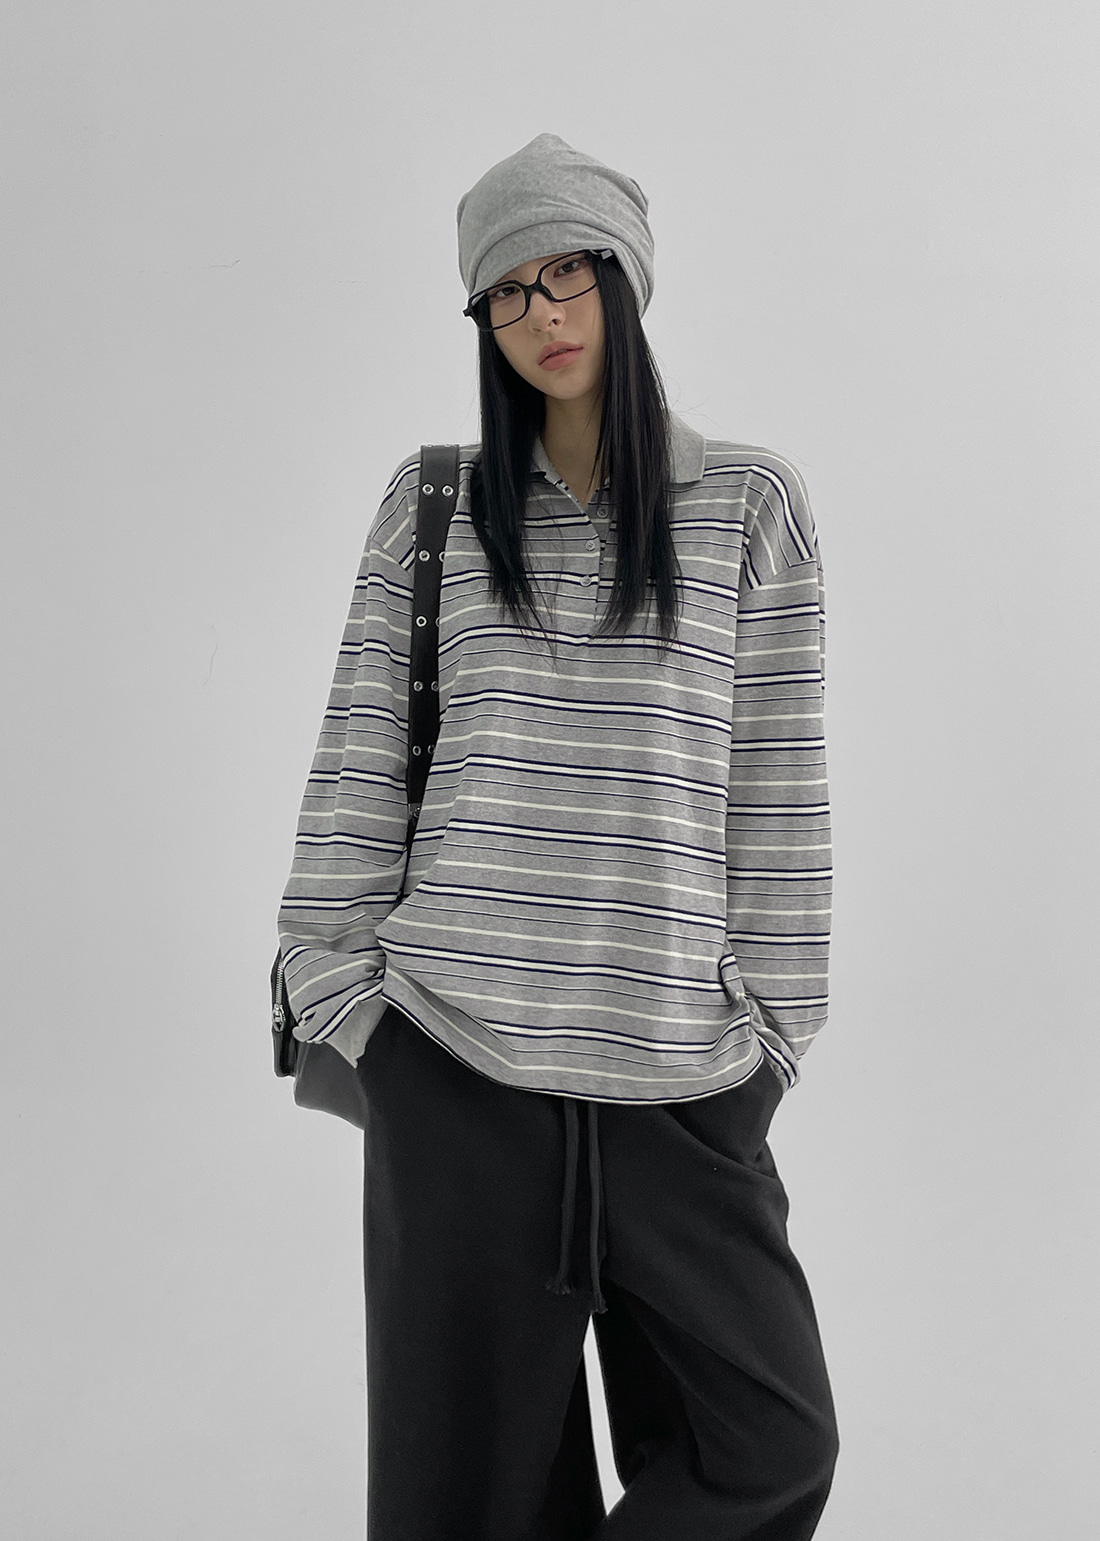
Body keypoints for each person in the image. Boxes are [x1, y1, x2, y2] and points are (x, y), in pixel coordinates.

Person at [276, 132, 839, 1539]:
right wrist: (343, 1001)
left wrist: (770, 1040)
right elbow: (357, 764)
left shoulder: (748, 508)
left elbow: (778, 789)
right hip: (459, 1064)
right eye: (508, 291)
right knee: (472, 1504)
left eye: (568, 273)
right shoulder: (435, 512)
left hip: (679, 1083)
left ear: (625, 280)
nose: (543, 314)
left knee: (771, 1444)